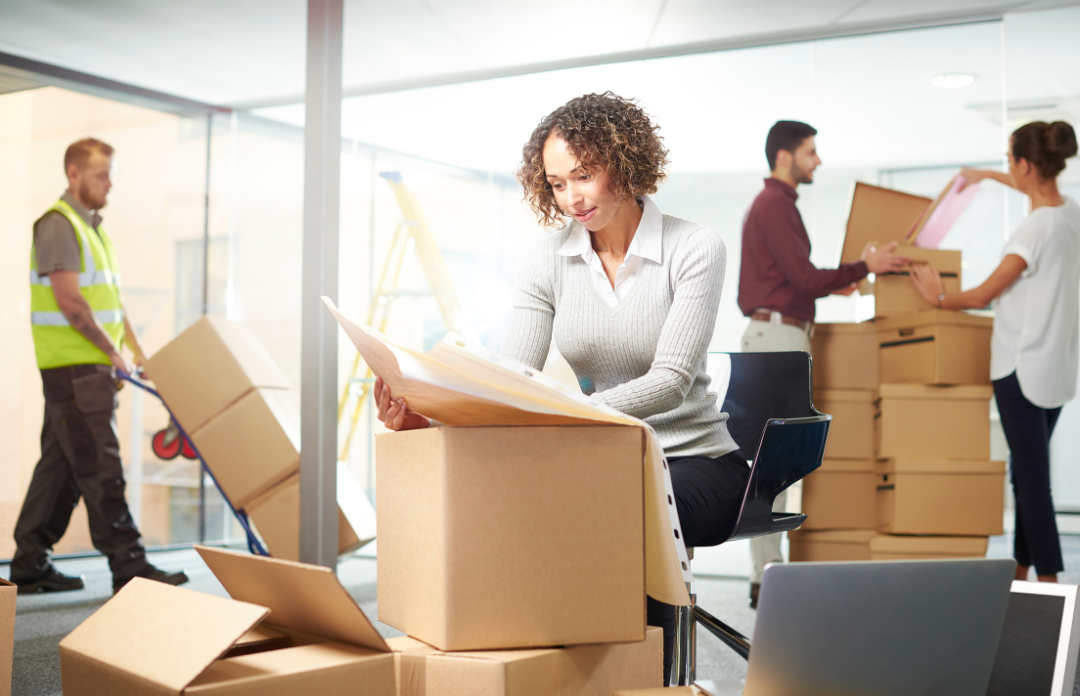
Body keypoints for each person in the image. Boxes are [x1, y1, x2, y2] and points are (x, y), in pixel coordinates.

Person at [375, 92, 747, 684]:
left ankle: (650, 677)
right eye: (555, 184)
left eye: (584, 174)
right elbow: (510, 380)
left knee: (617, 512)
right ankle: (558, 667)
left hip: (693, 457)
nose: (572, 197)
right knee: (540, 498)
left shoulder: (694, 246)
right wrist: (430, 416)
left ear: (624, 164)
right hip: (598, 456)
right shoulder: (547, 259)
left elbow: (671, 383)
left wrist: (565, 413)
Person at [737, 120, 909, 608]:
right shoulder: (774, 205)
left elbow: (800, 279)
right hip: (777, 338)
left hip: (779, 334)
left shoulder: (774, 205)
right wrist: (862, 266)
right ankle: (767, 572)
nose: (819, 161)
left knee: (775, 458)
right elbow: (804, 277)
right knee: (773, 460)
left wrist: (840, 280)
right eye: (812, 152)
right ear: (786, 156)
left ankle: (766, 570)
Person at [12, 138, 189, 595]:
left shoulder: (94, 230)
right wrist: (112, 354)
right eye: (100, 174)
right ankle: (128, 562)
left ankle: (30, 562)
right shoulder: (58, 224)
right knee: (100, 466)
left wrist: (136, 348)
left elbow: (108, 301)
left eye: (110, 174)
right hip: (75, 369)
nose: (109, 183)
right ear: (73, 174)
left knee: (62, 467)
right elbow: (70, 302)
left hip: (86, 367)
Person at [911, 121, 1080, 584]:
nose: (1009, 168)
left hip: (1019, 369)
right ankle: (1023, 568)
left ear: (1026, 165)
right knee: (1028, 470)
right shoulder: (1071, 214)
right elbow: (1034, 187)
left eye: (1009, 161)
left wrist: (938, 297)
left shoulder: (1032, 231)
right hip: (1057, 370)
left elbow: (985, 293)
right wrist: (987, 175)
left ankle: (1048, 581)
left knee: (1030, 477)